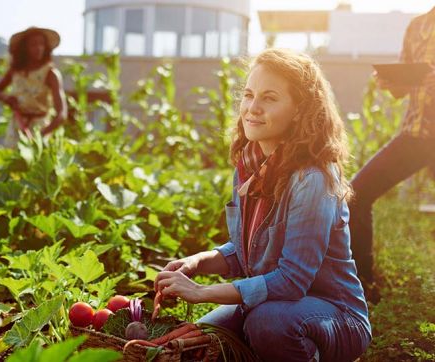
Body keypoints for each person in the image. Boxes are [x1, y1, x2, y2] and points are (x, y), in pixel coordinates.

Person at [154, 48, 371, 362]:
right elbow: (247, 251)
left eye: (269, 98)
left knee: (267, 324)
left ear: (300, 110)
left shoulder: (313, 178)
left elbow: (291, 280)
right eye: (248, 95)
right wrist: (197, 263)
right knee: (198, 335)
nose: (252, 108)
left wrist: (201, 292)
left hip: (336, 316)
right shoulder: (250, 167)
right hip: (272, 304)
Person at [349, 6, 435, 298]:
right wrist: (389, 82)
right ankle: (363, 283)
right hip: (416, 135)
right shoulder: (417, 26)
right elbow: (402, 89)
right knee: (355, 193)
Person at [0, 27, 67, 142]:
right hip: (17, 126)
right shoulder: (15, 71)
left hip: (40, 128)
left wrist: (42, 134)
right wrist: (7, 98)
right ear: (24, 48)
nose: (38, 48)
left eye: (41, 44)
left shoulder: (50, 74)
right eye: (33, 44)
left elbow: (61, 114)